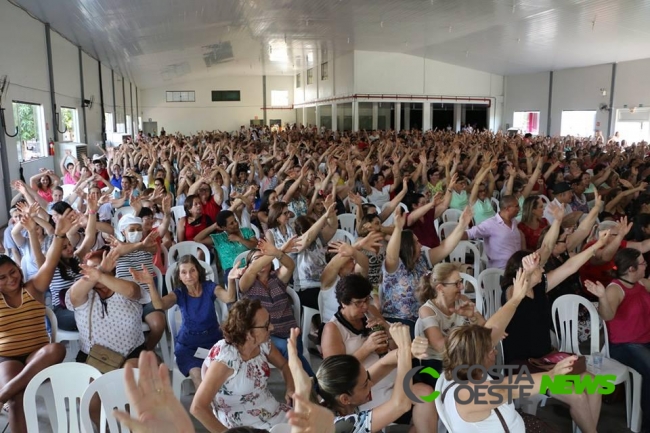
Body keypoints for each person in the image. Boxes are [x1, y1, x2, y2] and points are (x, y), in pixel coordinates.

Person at [438, 269, 579, 432]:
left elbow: (494, 330)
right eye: (491, 349)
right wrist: (552, 375)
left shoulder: (460, 370)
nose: (496, 352)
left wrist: (517, 298)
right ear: (477, 357)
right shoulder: (466, 395)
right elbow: (507, 388)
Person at [0, 212, 73, 433]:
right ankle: (8, 394)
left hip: (39, 354)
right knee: (17, 398)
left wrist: (59, 234)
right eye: (2, 277)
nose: (11, 278)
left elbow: (50, 262)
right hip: (7, 357)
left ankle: (2, 394)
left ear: (19, 269)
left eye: (12, 272)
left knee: (56, 349)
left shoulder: (33, 288)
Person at [190, 299, 295, 431]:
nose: (272, 327)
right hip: (243, 426)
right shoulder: (227, 359)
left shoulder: (262, 344)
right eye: (266, 325)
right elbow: (197, 408)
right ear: (248, 332)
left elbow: (284, 365)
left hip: (271, 410)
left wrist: (290, 388)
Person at [316, 323, 431, 432]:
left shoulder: (334, 392)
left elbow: (384, 363)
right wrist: (404, 349)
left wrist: (410, 350)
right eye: (365, 384)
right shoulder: (340, 425)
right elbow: (400, 405)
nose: (371, 384)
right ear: (345, 399)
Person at [141, 255, 235, 388]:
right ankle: (206, 408)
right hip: (188, 346)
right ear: (179, 276)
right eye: (184, 272)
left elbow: (229, 297)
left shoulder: (209, 287)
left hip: (214, 342)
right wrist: (151, 284)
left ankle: (222, 407)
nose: (189, 276)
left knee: (225, 376)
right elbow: (159, 305)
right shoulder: (179, 293)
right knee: (199, 379)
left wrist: (230, 280)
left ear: (198, 271)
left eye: (192, 270)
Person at [585, 248, 650, 429]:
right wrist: (602, 298)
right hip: (625, 345)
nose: (646, 266)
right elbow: (607, 316)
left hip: (645, 340)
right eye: (643, 263)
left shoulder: (641, 283)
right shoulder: (615, 289)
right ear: (631, 269)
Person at [382, 206, 472, 335]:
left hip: (424, 316)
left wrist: (462, 224)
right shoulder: (395, 266)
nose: (420, 245)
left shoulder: (422, 260)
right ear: (408, 247)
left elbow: (445, 247)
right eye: (417, 243)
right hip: (399, 321)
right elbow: (391, 254)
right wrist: (397, 228)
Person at [238, 238, 314, 376]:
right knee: (290, 352)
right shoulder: (247, 283)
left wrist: (277, 252)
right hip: (265, 335)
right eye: (256, 259)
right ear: (249, 265)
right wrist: (279, 250)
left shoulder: (277, 277)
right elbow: (252, 270)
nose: (262, 261)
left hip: (289, 332)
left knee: (293, 352)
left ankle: (301, 389)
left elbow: (290, 266)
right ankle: (313, 387)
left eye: (265, 257)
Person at [66, 249, 147, 366]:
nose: (92, 273)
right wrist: (101, 270)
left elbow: (132, 292)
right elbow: (74, 296)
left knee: (129, 375)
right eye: (89, 270)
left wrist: (99, 275)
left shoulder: (123, 283)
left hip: (131, 354)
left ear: (112, 267)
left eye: (96, 267)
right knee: (93, 381)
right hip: (92, 356)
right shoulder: (85, 292)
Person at [415, 262, 486, 387]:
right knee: (468, 386)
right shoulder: (428, 310)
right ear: (440, 288)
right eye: (456, 284)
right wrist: (467, 333)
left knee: (484, 378)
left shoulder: (463, 300)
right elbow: (440, 347)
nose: (462, 287)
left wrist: (472, 317)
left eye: (461, 281)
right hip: (436, 363)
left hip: (461, 358)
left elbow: (484, 327)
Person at [463, 195, 523, 270]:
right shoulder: (490, 224)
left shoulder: (514, 222)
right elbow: (470, 233)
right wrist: (452, 239)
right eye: (516, 206)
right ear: (507, 208)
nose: (519, 208)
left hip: (516, 266)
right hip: (500, 269)